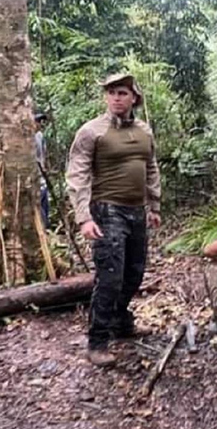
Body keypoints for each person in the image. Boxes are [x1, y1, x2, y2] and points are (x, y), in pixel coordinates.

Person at [66, 73, 161, 367]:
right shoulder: (92, 131)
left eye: (122, 93)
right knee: (110, 275)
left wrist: (154, 205)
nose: (116, 98)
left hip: (136, 211)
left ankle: (121, 322)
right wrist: (83, 217)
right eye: (111, 93)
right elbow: (77, 174)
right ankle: (97, 341)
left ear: (135, 98)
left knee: (135, 272)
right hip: (107, 211)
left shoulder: (145, 130)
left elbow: (151, 167)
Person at [34, 112, 49, 228]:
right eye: (36, 121)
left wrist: (45, 168)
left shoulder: (39, 136)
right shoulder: (26, 139)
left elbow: (43, 154)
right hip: (33, 177)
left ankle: (46, 228)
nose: (38, 124)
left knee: (44, 202)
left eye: (39, 122)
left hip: (41, 176)